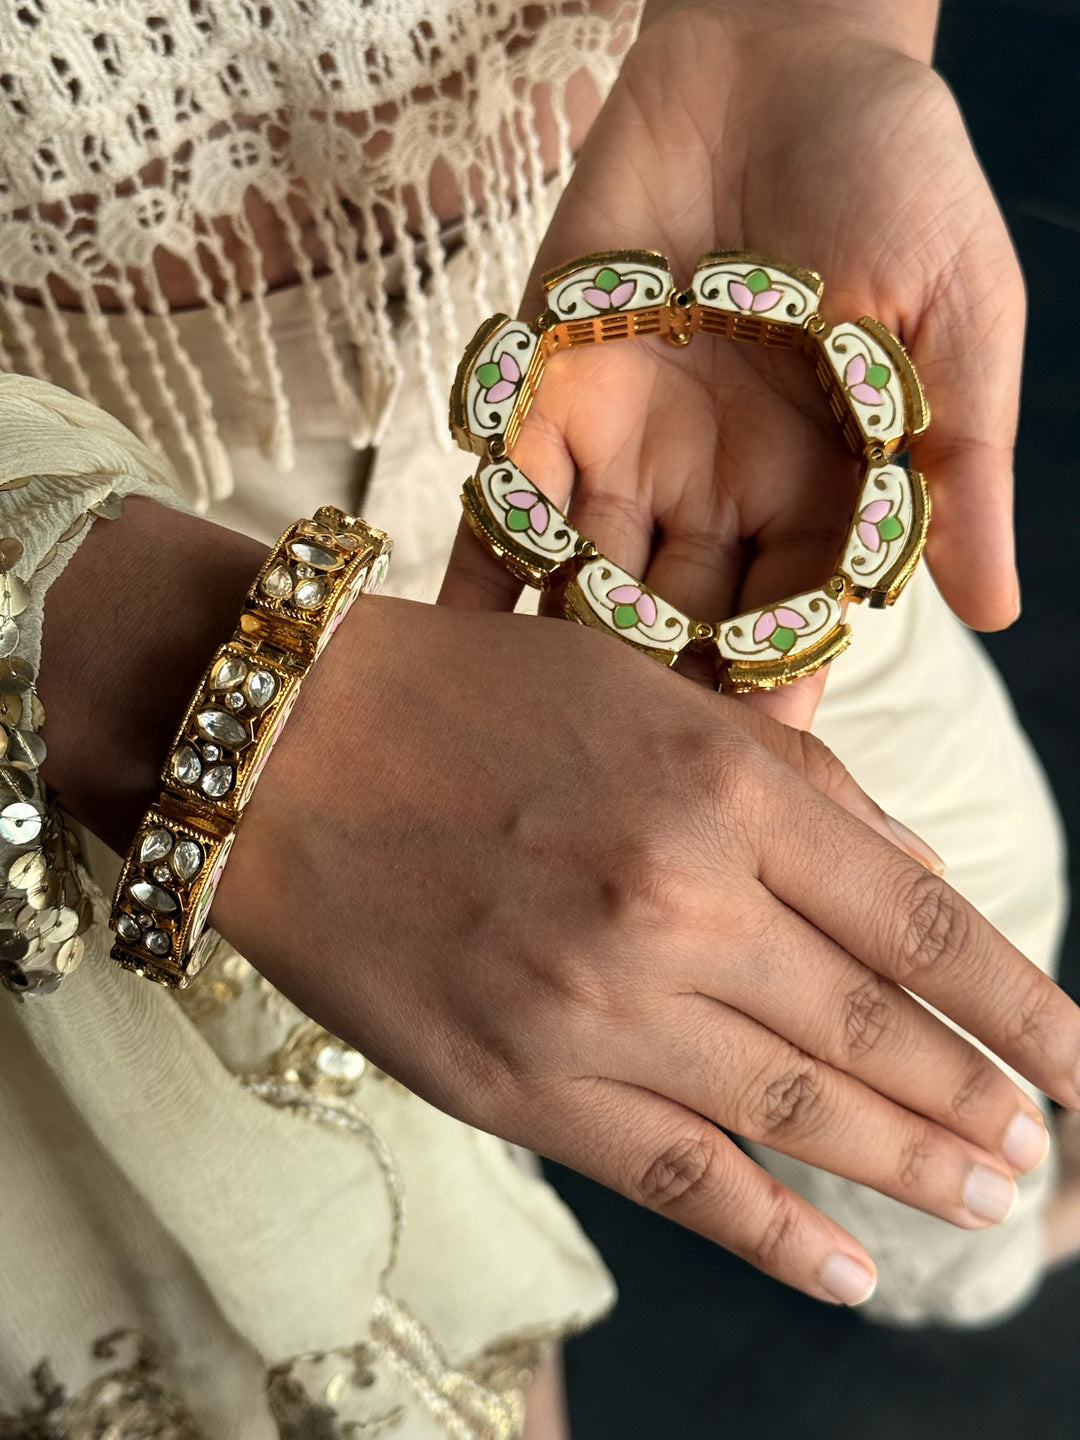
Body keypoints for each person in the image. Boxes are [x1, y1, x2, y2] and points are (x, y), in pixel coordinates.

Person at [0, 0, 1076, 1435]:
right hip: (104, 525)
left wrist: (798, 38)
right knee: (381, 1319)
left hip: (690, 402)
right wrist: (187, 676)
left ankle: (985, 1244)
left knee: (968, 978)